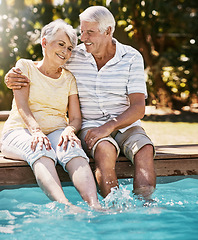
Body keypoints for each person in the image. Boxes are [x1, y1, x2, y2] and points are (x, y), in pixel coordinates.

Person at [4, 6, 156, 199]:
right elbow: (46, 63)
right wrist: (12, 78)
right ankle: (114, 207)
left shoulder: (132, 57)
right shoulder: (74, 55)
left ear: (108, 31)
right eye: (82, 31)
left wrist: (108, 126)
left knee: (145, 150)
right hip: (92, 125)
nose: (83, 38)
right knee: (104, 150)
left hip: (126, 124)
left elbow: (138, 107)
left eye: (89, 32)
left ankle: (146, 205)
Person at [1, 19, 101, 211]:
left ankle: (95, 205)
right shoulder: (25, 67)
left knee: (73, 149)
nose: (66, 51)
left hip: (56, 130)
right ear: (45, 43)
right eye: (61, 44)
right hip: (20, 130)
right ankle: (65, 205)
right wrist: (37, 131)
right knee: (40, 149)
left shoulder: (69, 78)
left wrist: (70, 131)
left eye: (70, 48)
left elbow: (75, 118)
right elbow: (22, 107)